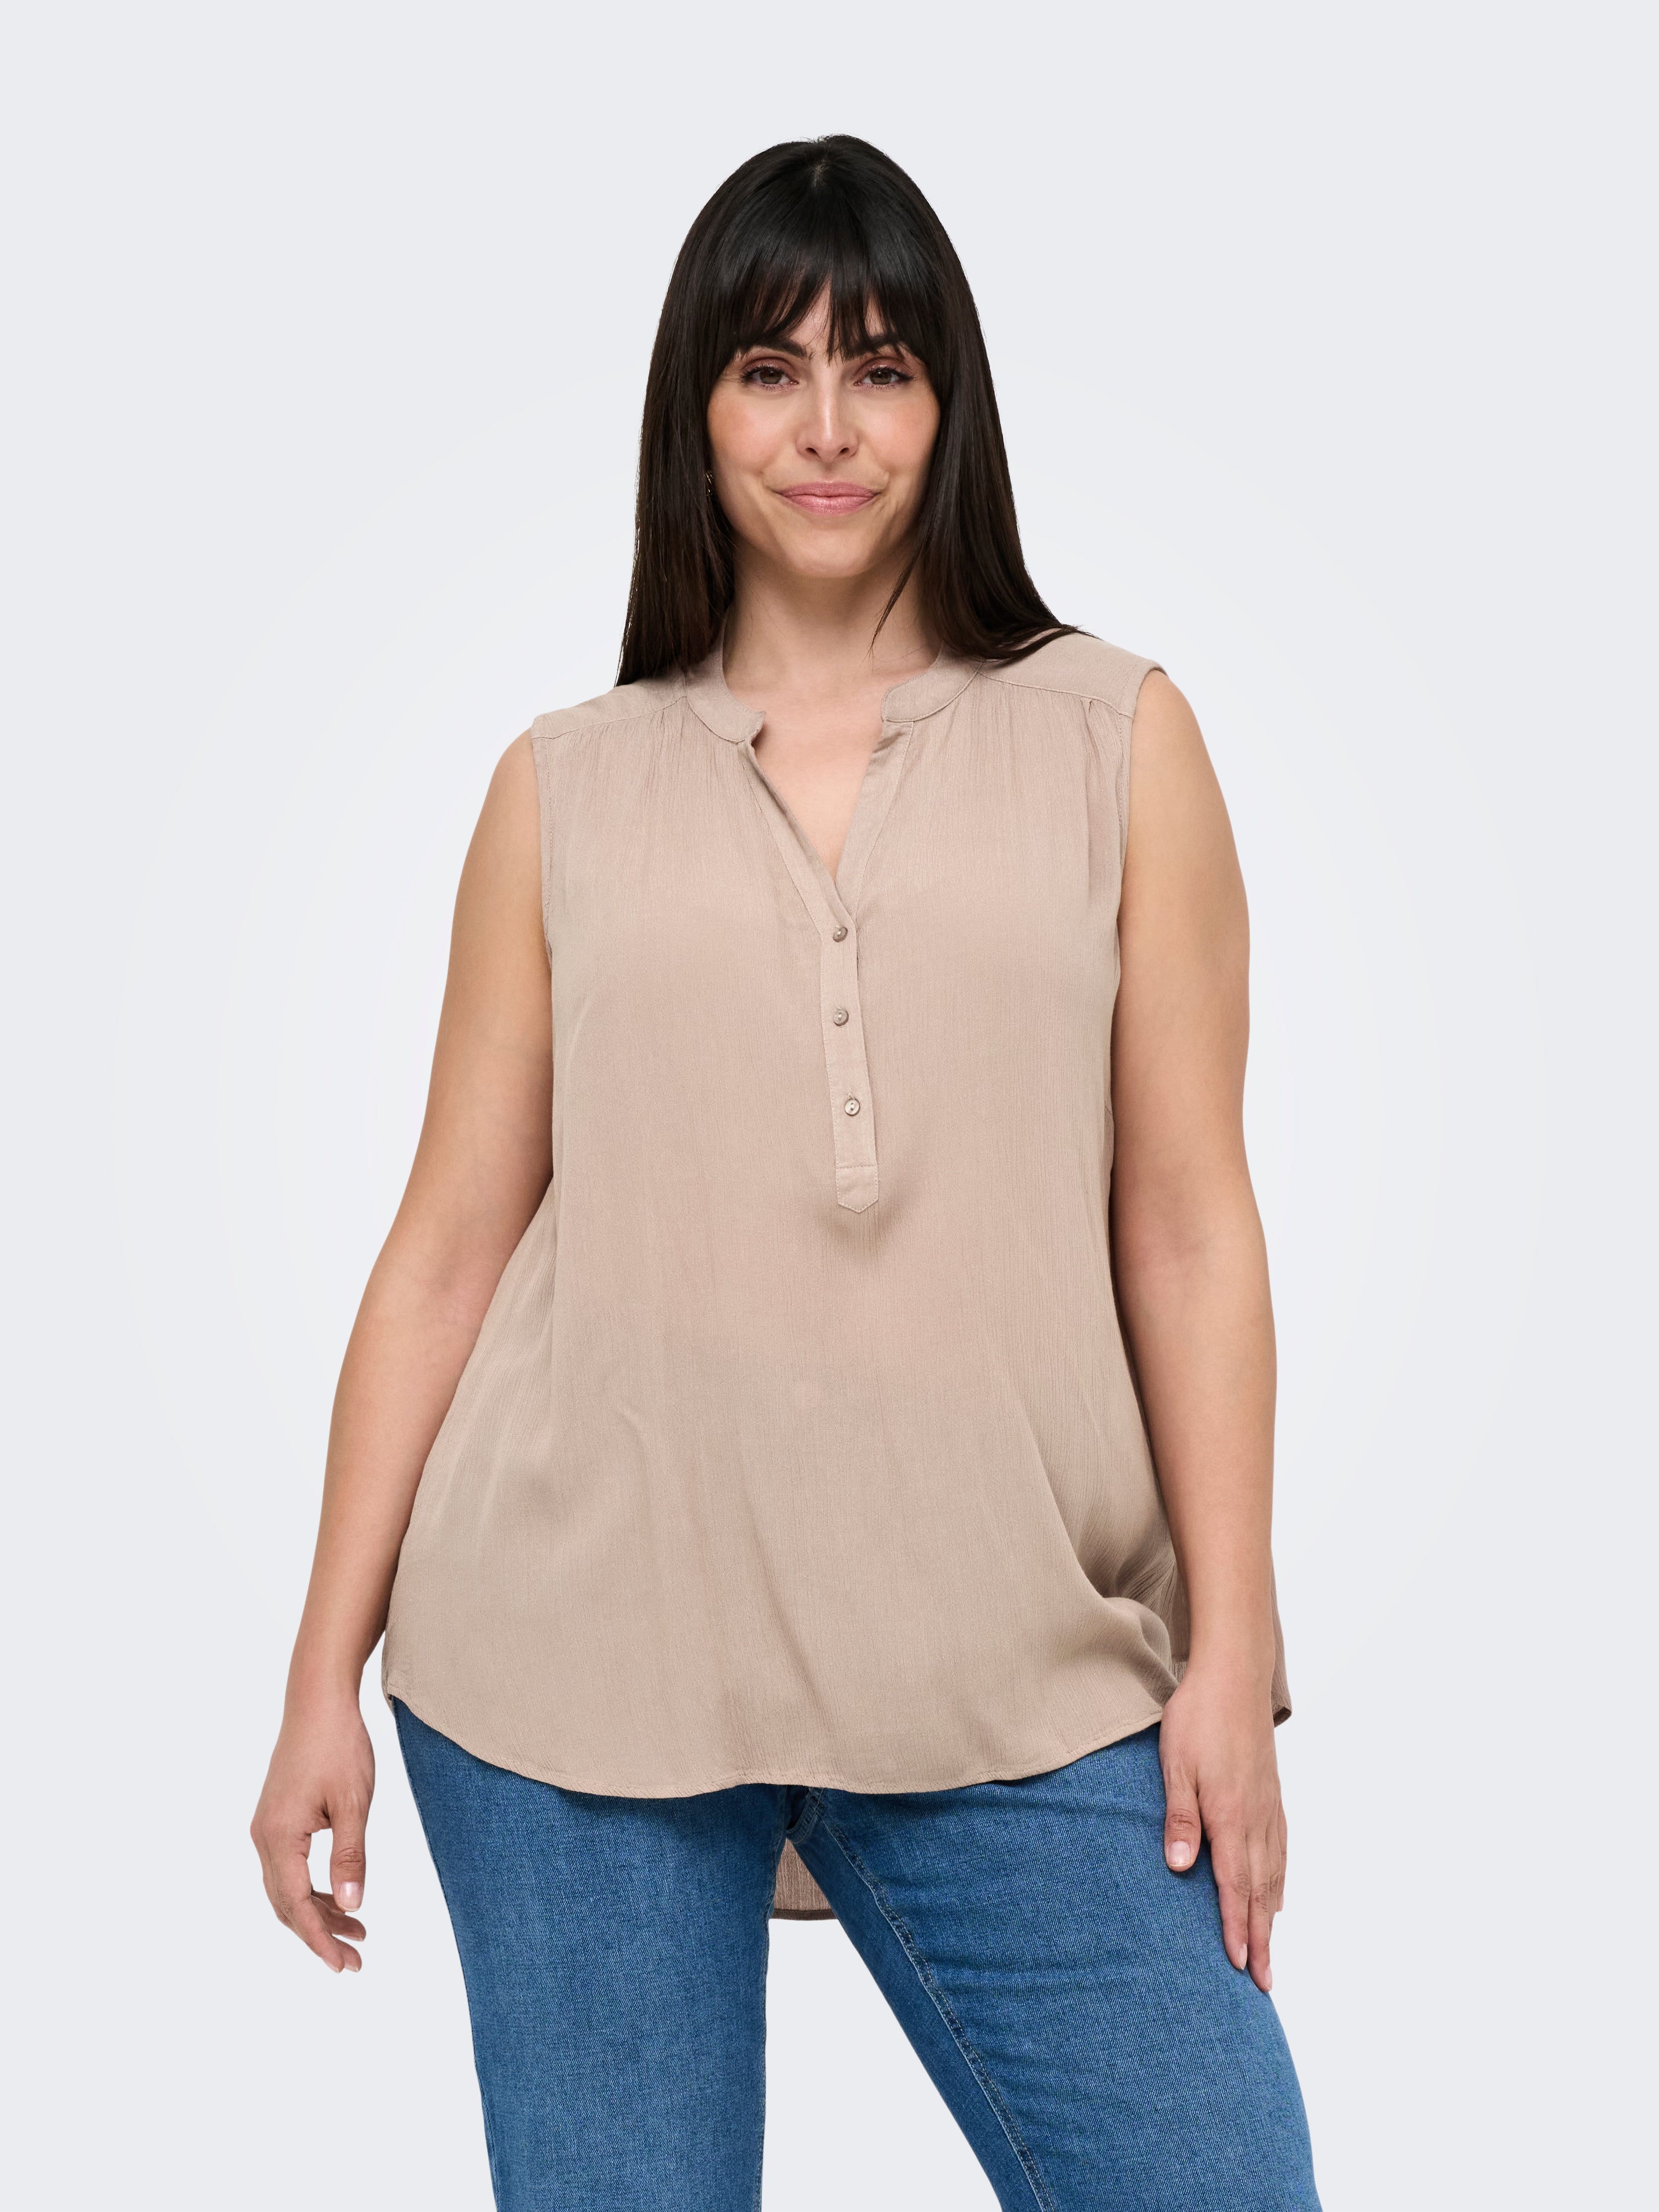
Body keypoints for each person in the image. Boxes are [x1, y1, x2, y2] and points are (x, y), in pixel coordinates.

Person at [250, 135, 1323, 2211]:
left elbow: (1190, 1221)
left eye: (881, 367)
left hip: (1013, 1654)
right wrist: (316, 1677)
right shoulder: (563, 784)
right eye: (769, 368)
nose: (827, 426)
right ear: (697, 408)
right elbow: (448, 1246)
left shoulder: (1117, 737)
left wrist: (1230, 1648)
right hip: (571, 1670)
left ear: (949, 405)